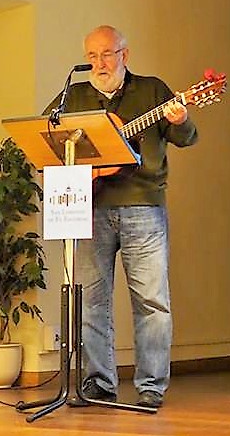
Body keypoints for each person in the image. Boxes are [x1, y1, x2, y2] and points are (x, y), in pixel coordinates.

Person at [43, 25, 198, 408]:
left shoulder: (153, 91)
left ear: (125, 55)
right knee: (92, 300)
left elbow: (187, 138)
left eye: (107, 54)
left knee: (151, 300)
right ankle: (98, 382)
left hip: (144, 207)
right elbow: (46, 137)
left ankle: (150, 387)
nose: (99, 63)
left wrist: (180, 120)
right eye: (92, 56)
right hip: (90, 208)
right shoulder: (73, 96)